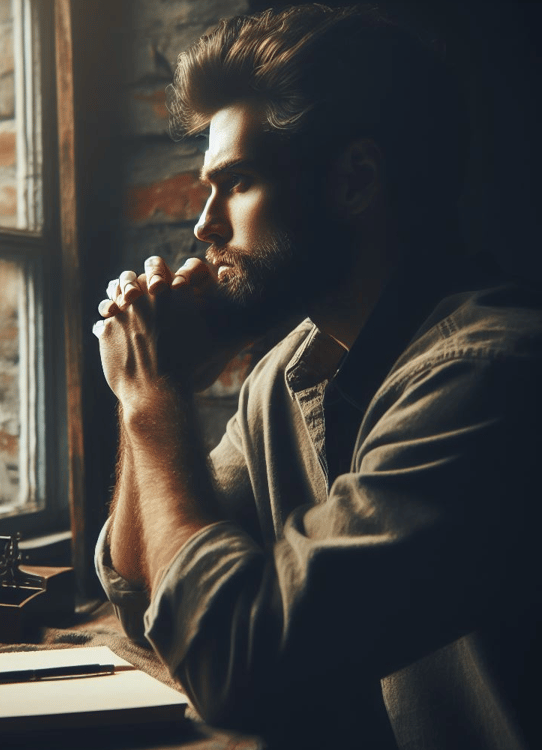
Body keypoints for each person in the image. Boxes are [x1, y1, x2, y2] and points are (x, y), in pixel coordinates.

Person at [91, 5, 542, 749]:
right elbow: (150, 597)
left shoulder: (490, 378)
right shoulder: (287, 375)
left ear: (356, 180)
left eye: (236, 182)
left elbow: (231, 661)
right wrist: (148, 389)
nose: (203, 226)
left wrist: (152, 399)